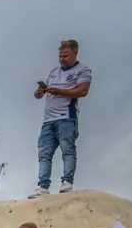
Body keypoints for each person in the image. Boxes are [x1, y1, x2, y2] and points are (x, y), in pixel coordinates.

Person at [29, 40, 92, 198]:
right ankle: (43, 185)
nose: (62, 59)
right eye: (60, 56)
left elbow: (83, 91)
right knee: (44, 153)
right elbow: (37, 95)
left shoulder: (83, 70)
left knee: (67, 150)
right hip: (48, 119)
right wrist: (41, 91)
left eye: (66, 56)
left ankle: (67, 182)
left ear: (75, 53)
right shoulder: (53, 72)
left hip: (66, 117)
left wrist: (59, 91)